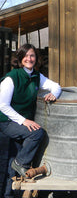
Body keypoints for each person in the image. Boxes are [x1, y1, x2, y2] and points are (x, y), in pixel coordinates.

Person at [0, 43, 61, 198]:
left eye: (32, 55)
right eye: (26, 56)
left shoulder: (36, 76)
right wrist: (24, 121)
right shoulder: (11, 78)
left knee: (16, 155)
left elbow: (56, 86)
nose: (29, 58)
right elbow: (2, 105)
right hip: (6, 120)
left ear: (36, 58)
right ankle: (20, 165)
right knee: (37, 133)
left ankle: (8, 194)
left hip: (20, 122)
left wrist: (54, 94)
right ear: (20, 59)